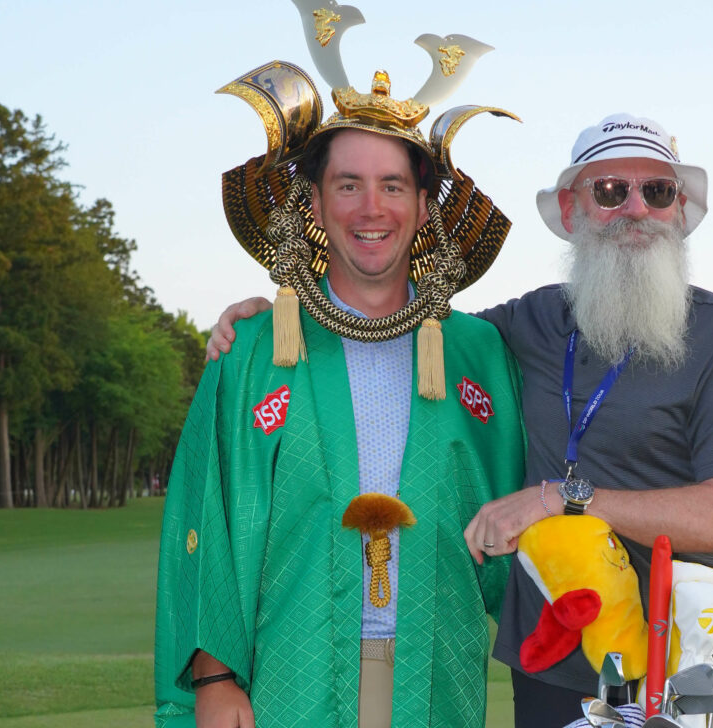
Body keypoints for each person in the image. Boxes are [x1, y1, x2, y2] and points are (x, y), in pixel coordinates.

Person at [207, 113, 713, 728]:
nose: (635, 209)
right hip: (553, 662)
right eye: (610, 191)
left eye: (657, 191)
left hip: (680, 665)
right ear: (570, 207)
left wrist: (563, 499)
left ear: (680, 210)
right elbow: (392, 328)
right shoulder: (522, 326)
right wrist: (285, 314)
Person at [154, 53, 525, 728]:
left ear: (421, 206)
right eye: (347, 184)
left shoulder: (478, 352)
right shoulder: (254, 353)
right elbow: (206, 516)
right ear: (315, 204)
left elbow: (515, 509)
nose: (371, 208)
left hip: (437, 671)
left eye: (392, 186)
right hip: (288, 676)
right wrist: (212, 676)